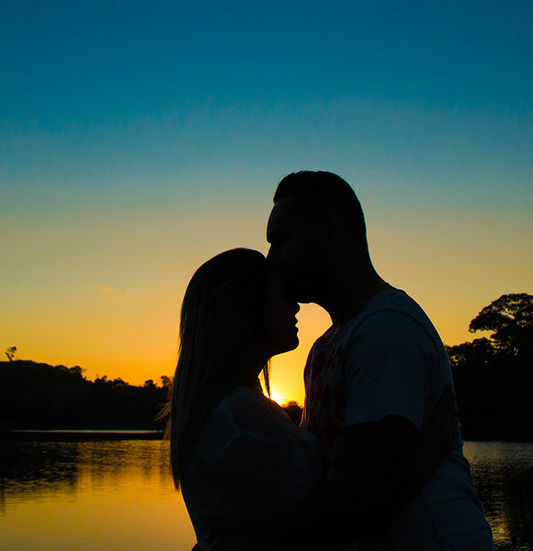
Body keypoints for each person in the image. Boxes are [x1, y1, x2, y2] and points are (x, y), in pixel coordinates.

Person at [164, 248, 455, 550]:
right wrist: (428, 454)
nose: (296, 306)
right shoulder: (236, 419)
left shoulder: (242, 410)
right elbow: (327, 529)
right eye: (282, 294)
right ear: (247, 308)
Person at [264, 171, 494, 551]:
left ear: (331, 232)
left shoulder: (386, 328)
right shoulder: (325, 347)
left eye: (282, 240)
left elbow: (370, 492)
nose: (272, 259)